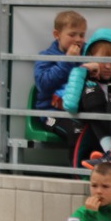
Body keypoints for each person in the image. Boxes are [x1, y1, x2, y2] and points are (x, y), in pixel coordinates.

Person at [61, 28, 111, 170]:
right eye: (104, 60)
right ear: (91, 57)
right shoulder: (87, 82)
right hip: (100, 147)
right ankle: (110, 152)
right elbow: (70, 106)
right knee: (90, 94)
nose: (108, 66)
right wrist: (83, 70)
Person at [33, 10, 87, 147]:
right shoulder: (45, 57)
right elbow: (43, 84)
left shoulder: (87, 54)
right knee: (76, 132)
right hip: (51, 114)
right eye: (72, 34)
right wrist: (67, 61)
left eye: (81, 35)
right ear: (57, 35)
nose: (78, 39)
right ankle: (77, 162)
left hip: (80, 111)